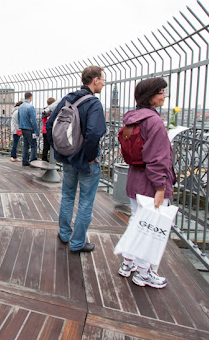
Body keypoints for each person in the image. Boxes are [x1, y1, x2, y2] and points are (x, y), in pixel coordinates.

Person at [117, 77, 176, 289]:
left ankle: (128, 263)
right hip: (151, 185)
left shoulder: (132, 119)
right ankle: (143, 273)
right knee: (150, 229)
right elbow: (158, 159)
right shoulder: (154, 122)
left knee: (136, 222)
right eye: (161, 91)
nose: (164, 95)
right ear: (150, 96)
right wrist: (161, 187)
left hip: (135, 179)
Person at [46, 66, 106, 253]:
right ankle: (78, 243)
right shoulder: (93, 103)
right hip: (85, 161)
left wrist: (59, 149)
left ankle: (64, 234)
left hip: (67, 158)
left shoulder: (67, 99)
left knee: (68, 196)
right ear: (95, 80)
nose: (104, 83)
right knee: (86, 201)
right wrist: (89, 157)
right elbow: (94, 133)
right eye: (103, 79)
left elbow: (49, 124)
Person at [18, 92, 39, 166]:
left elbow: (19, 118)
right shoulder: (30, 107)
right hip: (30, 129)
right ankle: (33, 161)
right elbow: (33, 120)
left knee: (25, 145)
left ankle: (25, 161)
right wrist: (37, 131)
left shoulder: (20, 107)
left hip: (23, 128)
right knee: (33, 145)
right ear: (30, 97)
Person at [41, 97, 56, 162]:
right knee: (52, 146)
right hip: (51, 130)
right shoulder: (53, 111)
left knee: (45, 147)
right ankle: (52, 160)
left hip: (44, 130)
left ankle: (44, 159)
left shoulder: (44, 111)